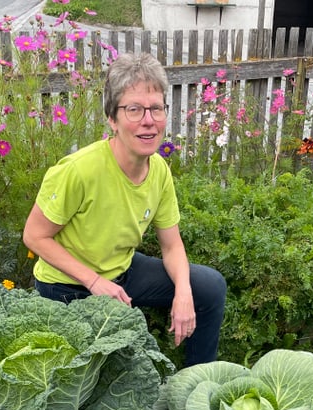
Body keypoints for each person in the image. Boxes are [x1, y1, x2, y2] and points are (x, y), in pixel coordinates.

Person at [23, 52, 226, 366]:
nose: (148, 120)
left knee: (208, 288)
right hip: (67, 287)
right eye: (134, 109)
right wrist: (94, 282)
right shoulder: (79, 171)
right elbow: (35, 237)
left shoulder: (158, 171)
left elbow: (171, 245)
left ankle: (196, 385)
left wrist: (183, 292)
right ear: (112, 119)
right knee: (103, 372)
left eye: (156, 108)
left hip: (121, 272)